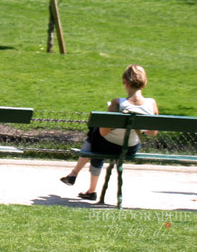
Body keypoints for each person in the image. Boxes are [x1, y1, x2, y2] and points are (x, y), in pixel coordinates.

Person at [60, 64, 158, 201]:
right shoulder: (151, 103)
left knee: (95, 135)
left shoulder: (118, 103)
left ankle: (79, 178)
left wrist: (114, 124)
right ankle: (82, 182)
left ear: (125, 82)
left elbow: (104, 132)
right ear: (144, 83)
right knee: (96, 138)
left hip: (108, 146)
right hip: (130, 149)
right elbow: (153, 133)